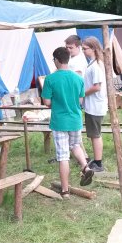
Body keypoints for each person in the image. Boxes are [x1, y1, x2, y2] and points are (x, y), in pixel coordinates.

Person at [41, 47, 94, 198]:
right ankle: (85, 167)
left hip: (59, 121)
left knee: (63, 156)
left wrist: (57, 103)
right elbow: (80, 101)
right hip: (75, 119)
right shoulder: (78, 78)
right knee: (75, 145)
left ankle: (65, 190)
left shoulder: (50, 79)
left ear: (57, 60)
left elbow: (47, 102)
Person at [82, 36, 108, 172]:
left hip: (95, 106)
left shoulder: (96, 65)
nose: (83, 51)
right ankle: (96, 160)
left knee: (95, 134)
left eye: (85, 49)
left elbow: (97, 86)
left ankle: (98, 163)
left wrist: (81, 94)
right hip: (92, 105)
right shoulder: (92, 64)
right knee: (93, 134)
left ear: (93, 48)